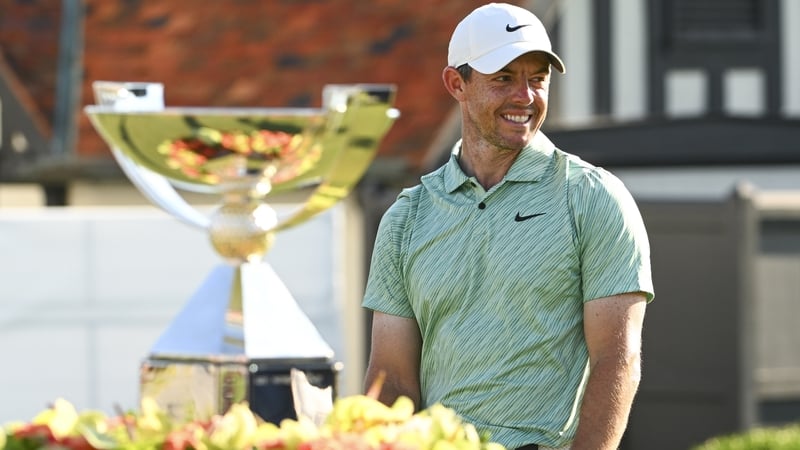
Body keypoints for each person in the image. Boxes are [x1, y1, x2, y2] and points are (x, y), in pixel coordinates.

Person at [362, 3, 654, 450]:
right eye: (504, 78)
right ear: (456, 83)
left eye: (537, 79)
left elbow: (617, 358)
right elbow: (393, 379)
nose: (525, 95)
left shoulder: (593, 197)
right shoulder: (406, 217)